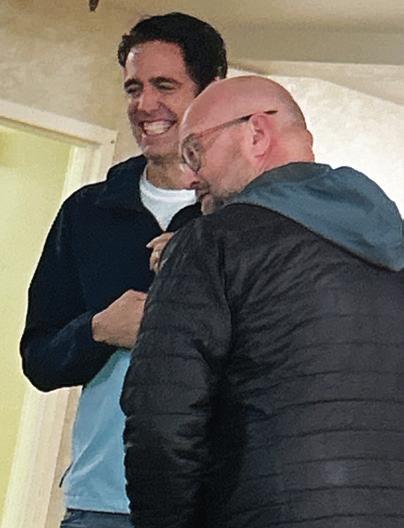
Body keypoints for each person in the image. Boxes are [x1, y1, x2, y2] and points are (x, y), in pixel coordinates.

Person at [121, 76, 404, 528]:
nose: (191, 177)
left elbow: (162, 426)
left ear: (256, 133)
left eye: (194, 151)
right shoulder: (394, 246)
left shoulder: (211, 244)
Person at [20, 12, 227, 528]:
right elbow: (39, 360)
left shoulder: (246, 217)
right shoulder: (85, 212)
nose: (145, 105)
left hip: (221, 505)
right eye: (134, 88)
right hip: (102, 504)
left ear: (211, 92)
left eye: (165, 86)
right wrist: (98, 330)